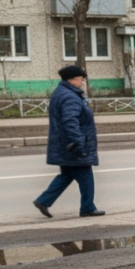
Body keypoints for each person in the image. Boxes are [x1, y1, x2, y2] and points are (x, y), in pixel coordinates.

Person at [34, 66, 105, 218]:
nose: (81, 82)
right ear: (71, 80)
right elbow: (70, 122)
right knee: (86, 177)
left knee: (67, 175)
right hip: (73, 145)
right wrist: (78, 144)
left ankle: (44, 200)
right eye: (80, 79)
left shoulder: (61, 93)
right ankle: (87, 207)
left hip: (64, 144)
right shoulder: (70, 97)